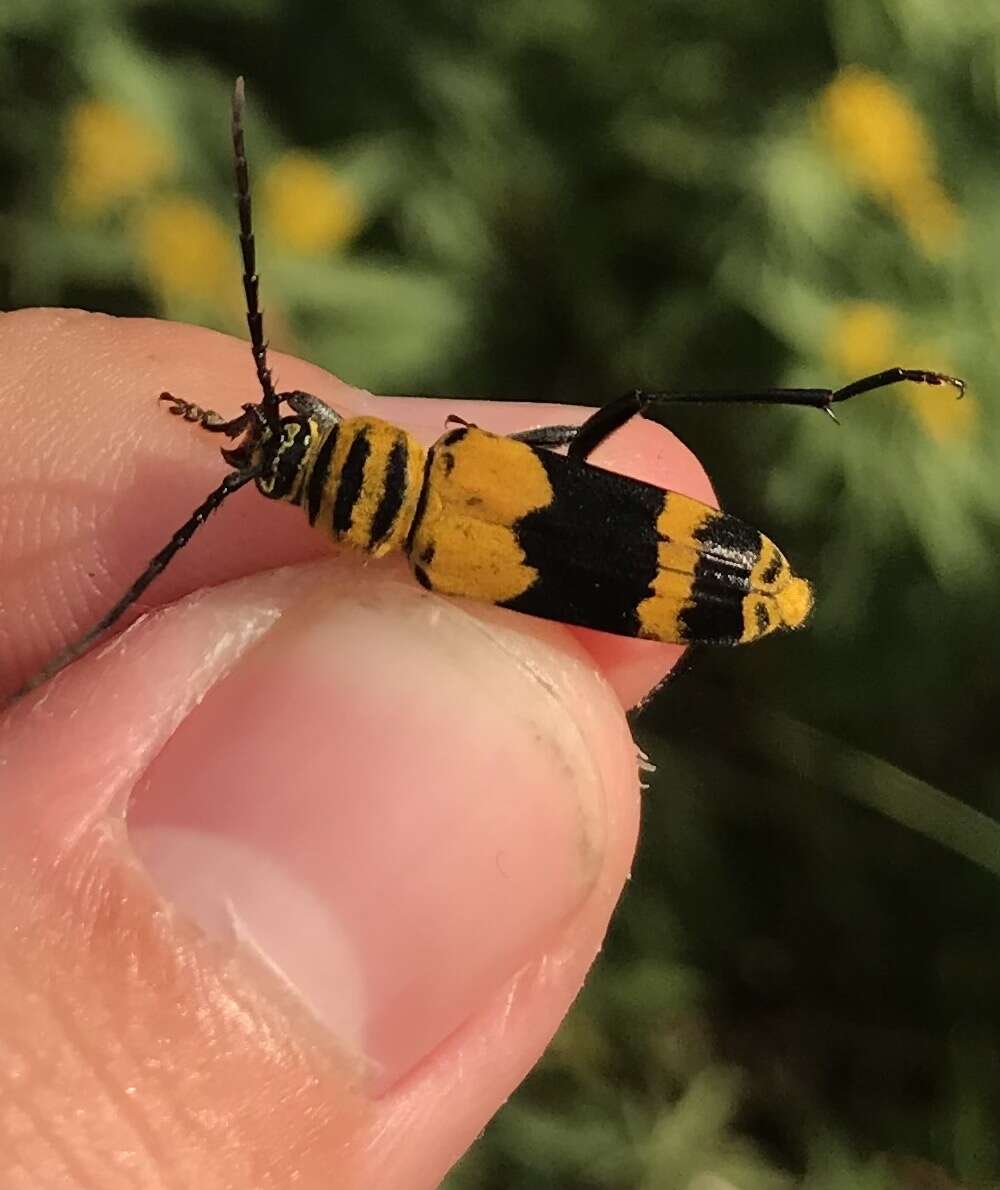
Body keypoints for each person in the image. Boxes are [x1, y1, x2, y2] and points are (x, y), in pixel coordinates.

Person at [0, 308, 712, 1187]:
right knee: (630, 412)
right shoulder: (449, 474)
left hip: (636, 565)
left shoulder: (420, 558)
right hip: (636, 557)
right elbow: (298, 400)